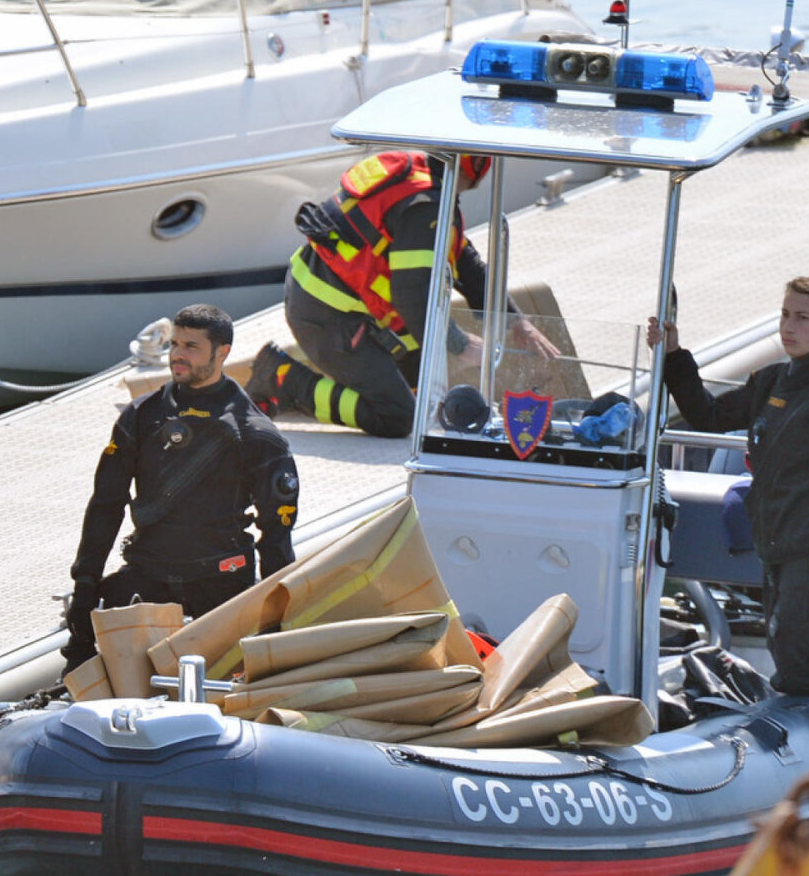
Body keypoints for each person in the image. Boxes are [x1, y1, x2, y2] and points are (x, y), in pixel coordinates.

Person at [651, 277, 809, 696]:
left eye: (803, 318)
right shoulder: (771, 382)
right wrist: (673, 356)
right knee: (787, 656)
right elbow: (707, 415)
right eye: (784, 315)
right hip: (776, 547)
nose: (788, 327)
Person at [252, 151, 555, 438]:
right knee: (399, 415)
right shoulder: (425, 206)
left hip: (339, 305)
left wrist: (516, 321)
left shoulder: (427, 184)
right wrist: (459, 344)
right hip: (327, 314)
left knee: (424, 376)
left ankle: (353, 372)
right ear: (477, 166)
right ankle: (283, 379)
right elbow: (412, 296)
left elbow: (467, 264)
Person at [64, 305, 299, 666]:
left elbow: (276, 536)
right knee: (79, 652)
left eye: (191, 346)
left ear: (222, 353)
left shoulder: (255, 433)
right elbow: (106, 504)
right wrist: (84, 583)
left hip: (220, 583)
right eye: (174, 344)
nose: (177, 355)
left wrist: (272, 620)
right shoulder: (142, 416)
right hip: (149, 574)